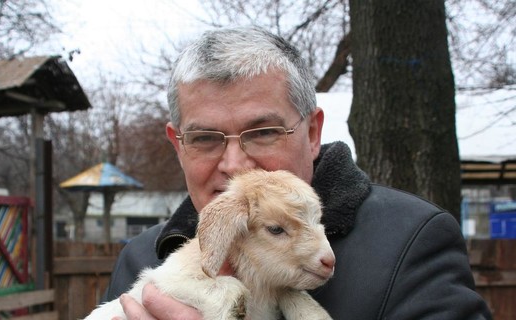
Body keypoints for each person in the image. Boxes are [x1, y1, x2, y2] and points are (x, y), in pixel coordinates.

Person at [101, 26, 491, 319]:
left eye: (264, 132)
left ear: (312, 133)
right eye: (205, 138)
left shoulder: (412, 241)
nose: (235, 164)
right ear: (178, 144)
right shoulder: (142, 257)